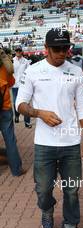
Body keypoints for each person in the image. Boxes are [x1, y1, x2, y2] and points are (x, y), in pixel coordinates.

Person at [16, 28, 83, 228]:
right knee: (43, 189)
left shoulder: (76, 71)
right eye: (56, 48)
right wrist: (40, 113)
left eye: (65, 48)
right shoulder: (33, 71)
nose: (61, 53)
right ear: (46, 49)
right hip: (44, 144)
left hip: (70, 143)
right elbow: (20, 104)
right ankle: (47, 211)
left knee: (71, 190)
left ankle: (70, 226)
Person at [0, 46, 25, 177]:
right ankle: (16, 169)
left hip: (5, 109)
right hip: (5, 109)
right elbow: (11, 83)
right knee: (10, 140)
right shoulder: (5, 68)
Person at [12, 46, 32, 128]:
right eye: (17, 50)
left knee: (26, 103)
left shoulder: (26, 61)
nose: (18, 52)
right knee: (15, 103)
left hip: (24, 86)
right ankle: (16, 116)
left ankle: (27, 122)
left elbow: (29, 73)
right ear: (15, 51)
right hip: (15, 85)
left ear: (22, 51)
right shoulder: (11, 61)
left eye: (19, 50)